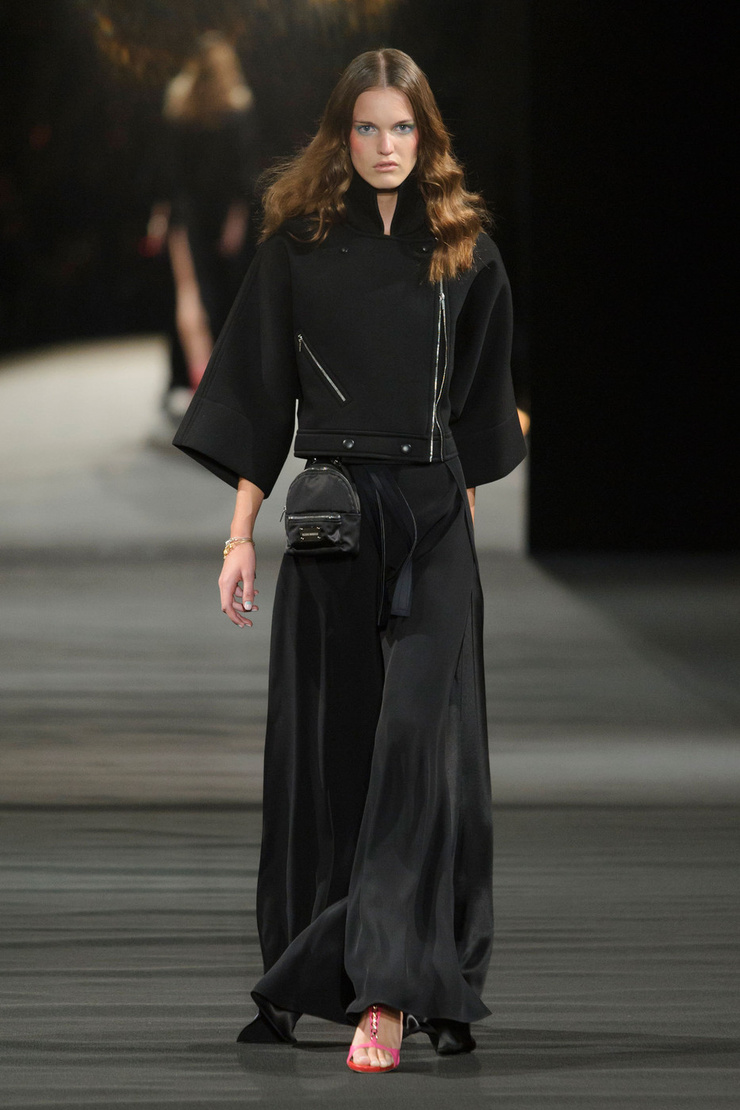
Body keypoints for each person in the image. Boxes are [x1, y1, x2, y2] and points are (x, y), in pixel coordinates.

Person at [173, 48, 526, 1073]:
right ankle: (338, 965)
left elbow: (477, 411)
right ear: (341, 135)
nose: (384, 146)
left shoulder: (465, 250)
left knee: (417, 753)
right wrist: (239, 536)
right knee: (335, 762)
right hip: (334, 525)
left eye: (402, 128)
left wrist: (460, 538)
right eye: (366, 127)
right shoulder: (298, 248)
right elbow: (257, 393)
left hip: (433, 521)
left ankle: (389, 991)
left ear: (426, 136)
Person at [146, 31, 260, 433]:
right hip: (198, 214)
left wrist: (234, 219)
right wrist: (165, 215)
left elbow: (239, 172)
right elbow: (173, 170)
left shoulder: (228, 106)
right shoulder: (191, 106)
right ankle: (193, 381)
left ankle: (213, 383)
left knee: (213, 299)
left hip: (208, 214)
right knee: (203, 299)